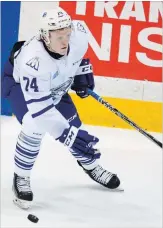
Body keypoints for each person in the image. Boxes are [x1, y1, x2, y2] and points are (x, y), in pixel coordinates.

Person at [2, 7, 120, 209]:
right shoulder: (34, 62)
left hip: (55, 83)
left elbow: (78, 54)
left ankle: (90, 166)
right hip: (20, 86)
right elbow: (41, 110)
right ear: (45, 37)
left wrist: (82, 73)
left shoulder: (78, 33)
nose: (66, 41)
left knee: (75, 125)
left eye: (67, 35)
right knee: (34, 125)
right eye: (59, 37)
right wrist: (66, 136)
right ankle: (20, 177)